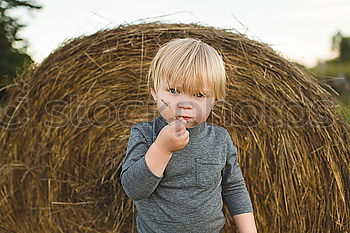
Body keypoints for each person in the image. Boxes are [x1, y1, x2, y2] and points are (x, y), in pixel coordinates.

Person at [120, 38, 257, 233]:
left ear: (214, 100)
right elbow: (134, 190)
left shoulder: (220, 140)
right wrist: (161, 149)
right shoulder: (144, 134)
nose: (185, 103)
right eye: (174, 90)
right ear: (154, 93)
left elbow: (234, 188)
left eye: (199, 95)